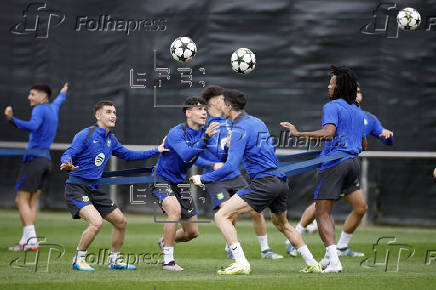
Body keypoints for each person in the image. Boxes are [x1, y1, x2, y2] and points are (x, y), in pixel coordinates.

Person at [191, 89, 320, 275]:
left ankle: (241, 262)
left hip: (264, 183)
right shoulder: (257, 122)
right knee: (282, 225)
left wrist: (203, 178)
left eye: (222, 104)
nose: (220, 108)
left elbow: (229, 167)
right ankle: (312, 263)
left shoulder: (238, 129)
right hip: (280, 181)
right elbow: (265, 149)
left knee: (221, 216)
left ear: (229, 107)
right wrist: (232, 145)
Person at [285, 85, 394, 258]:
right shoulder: (340, 109)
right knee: (321, 208)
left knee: (360, 207)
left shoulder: (366, 117)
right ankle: (295, 236)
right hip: (336, 163)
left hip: (348, 165)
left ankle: (340, 248)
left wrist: (388, 136)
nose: (357, 93)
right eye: (355, 90)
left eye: (359, 91)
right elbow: (330, 134)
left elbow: (384, 141)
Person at [60, 100, 167, 271]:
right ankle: (78, 259)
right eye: (109, 112)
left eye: (115, 112)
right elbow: (69, 153)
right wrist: (66, 162)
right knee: (96, 223)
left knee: (121, 222)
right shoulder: (86, 134)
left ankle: (114, 260)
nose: (113, 115)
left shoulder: (111, 139)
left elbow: (129, 155)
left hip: (94, 189)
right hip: (76, 188)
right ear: (98, 115)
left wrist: (157, 150)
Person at [281, 65, 366, 273]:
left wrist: (299, 134)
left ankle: (335, 262)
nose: (328, 86)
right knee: (329, 211)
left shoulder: (332, 106)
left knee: (322, 213)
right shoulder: (357, 110)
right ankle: (330, 258)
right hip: (354, 163)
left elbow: (328, 133)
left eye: (331, 83)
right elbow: (364, 145)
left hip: (335, 163)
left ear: (338, 87)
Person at [198, 85, 282, 259]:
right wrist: (212, 164)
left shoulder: (232, 121)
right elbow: (193, 155)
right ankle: (232, 249)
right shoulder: (202, 125)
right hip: (216, 178)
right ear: (214, 102)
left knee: (256, 210)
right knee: (227, 211)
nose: (226, 103)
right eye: (223, 99)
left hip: (234, 174)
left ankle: (265, 250)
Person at [153, 97, 219, 271]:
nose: (204, 112)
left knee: (192, 233)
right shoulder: (176, 132)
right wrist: (205, 139)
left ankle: (165, 241)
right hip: (162, 178)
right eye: (198, 109)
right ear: (188, 113)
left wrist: (225, 148)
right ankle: (168, 261)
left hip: (180, 182)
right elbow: (186, 154)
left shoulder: (205, 132)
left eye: (204, 109)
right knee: (174, 211)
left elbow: (210, 154)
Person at [5, 83, 68, 251]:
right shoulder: (53, 107)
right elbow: (59, 101)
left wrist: (12, 119)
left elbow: (32, 126)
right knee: (31, 203)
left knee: (21, 200)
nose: (29, 97)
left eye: (32, 94)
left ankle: (32, 240)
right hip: (45, 161)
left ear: (43, 97)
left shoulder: (39, 109)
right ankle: (25, 242)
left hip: (34, 161)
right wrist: (63, 93)